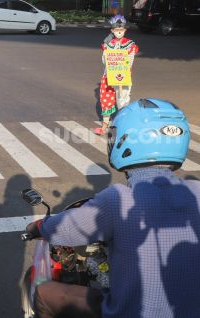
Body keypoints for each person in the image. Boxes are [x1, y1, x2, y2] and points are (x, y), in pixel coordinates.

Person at [25, 98, 200, 318]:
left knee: (44, 293)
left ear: (127, 140)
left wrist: (39, 226)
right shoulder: (196, 192)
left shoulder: (119, 198)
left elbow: (64, 230)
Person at [94, 15, 138, 135]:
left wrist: (121, 68)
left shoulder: (130, 44)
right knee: (106, 100)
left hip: (123, 76)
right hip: (108, 76)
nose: (119, 32)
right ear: (112, 31)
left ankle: (124, 128)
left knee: (122, 101)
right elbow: (104, 60)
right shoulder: (108, 43)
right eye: (117, 30)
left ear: (125, 30)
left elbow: (130, 61)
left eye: (121, 30)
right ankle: (104, 127)